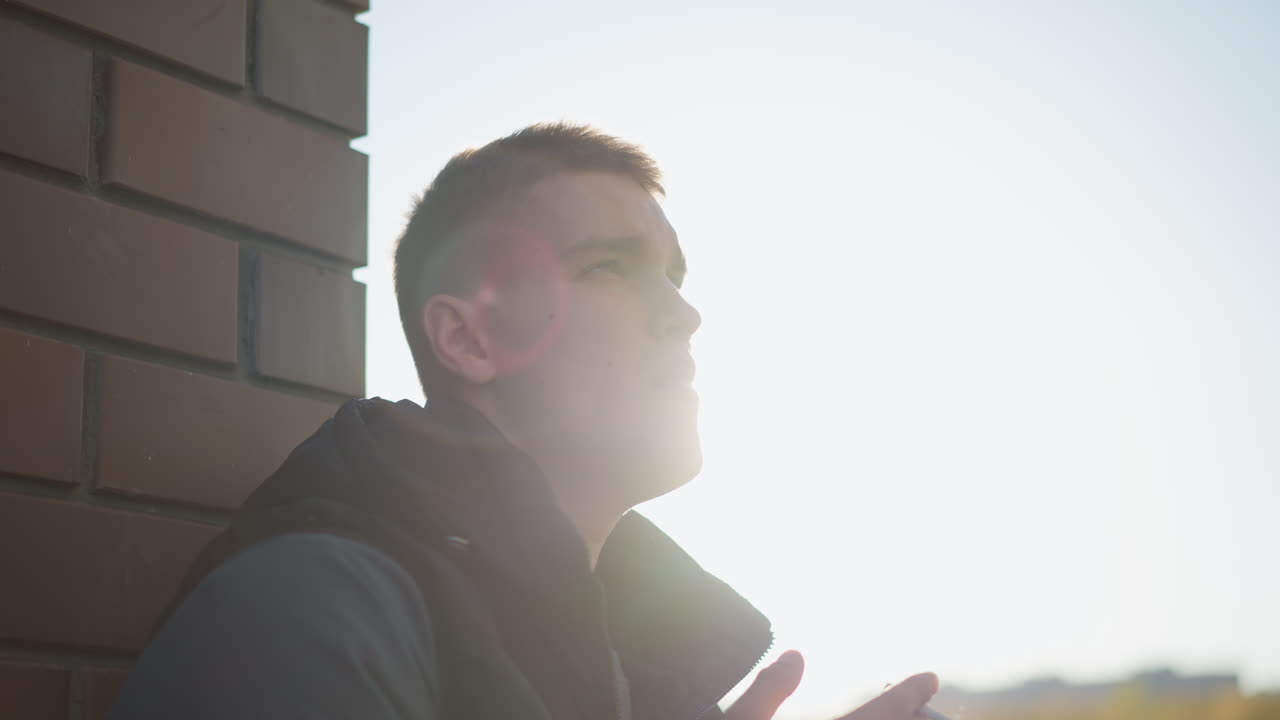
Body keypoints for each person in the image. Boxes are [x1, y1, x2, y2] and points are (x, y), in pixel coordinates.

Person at [107, 124, 939, 720]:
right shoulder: (312, 607)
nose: (684, 315)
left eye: (676, 275)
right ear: (467, 339)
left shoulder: (635, 670)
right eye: (610, 268)